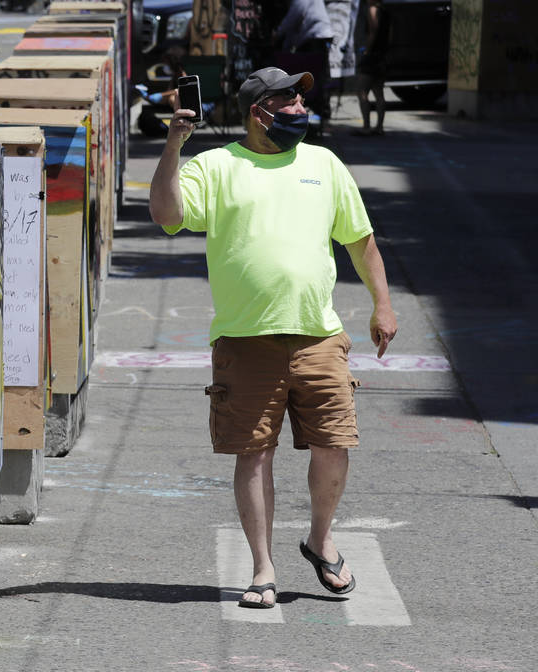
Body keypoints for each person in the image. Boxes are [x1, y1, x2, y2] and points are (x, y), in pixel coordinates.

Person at [148, 66, 397, 610]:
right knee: (254, 454)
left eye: (298, 100)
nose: (296, 110)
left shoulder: (323, 163)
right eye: (284, 101)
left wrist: (383, 302)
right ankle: (262, 569)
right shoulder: (216, 167)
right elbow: (166, 214)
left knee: (335, 445)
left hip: (318, 336)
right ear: (257, 111)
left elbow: (361, 241)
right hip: (246, 340)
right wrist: (174, 142)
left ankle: (320, 539)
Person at [274, 0, 335, 125]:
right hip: (312, 36)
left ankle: (322, 115)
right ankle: (315, 113)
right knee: (311, 75)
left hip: (317, 36)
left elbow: (296, 14)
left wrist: (279, 33)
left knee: (315, 76)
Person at [355, 0, 390, 135]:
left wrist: (367, 51)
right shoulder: (387, 12)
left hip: (372, 56)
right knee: (379, 92)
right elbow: (390, 36)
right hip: (382, 56)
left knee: (362, 91)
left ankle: (366, 126)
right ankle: (380, 127)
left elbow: (372, 32)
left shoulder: (373, 10)